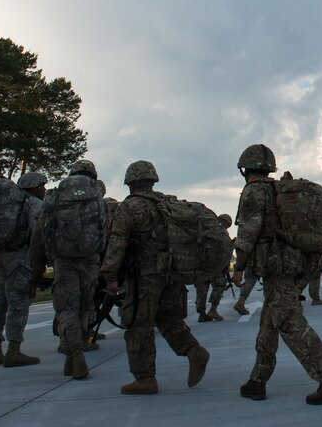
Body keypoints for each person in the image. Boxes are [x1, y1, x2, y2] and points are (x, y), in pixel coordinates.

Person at [230, 144, 322, 404]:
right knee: (269, 321)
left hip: (278, 266)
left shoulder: (254, 191)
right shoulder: (277, 190)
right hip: (297, 263)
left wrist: (238, 268)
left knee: (288, 322)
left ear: (244, 169)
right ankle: (257, 380)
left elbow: (248, 233)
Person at [100, 160, 210, 395]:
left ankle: (144, 378)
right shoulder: (168, 203)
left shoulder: (130, 207)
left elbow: (117, 242)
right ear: (153, 180)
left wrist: (110, 276)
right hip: (173, 273)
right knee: (168, 317)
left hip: (145, 277)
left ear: (130, 182)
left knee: (137, 324)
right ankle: (193, 350)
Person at [43, 160, 107, 380]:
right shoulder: (95, 192)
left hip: (63, 259)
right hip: (90, 258)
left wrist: (47, 256)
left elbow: (45, 227)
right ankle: (79, 347)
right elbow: (103, 225)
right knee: (86, 305)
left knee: (67, 308)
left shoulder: (56, 192)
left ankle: (74, 353)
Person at [0, 172, 47, 368]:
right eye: (42, 186)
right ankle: (14, 350)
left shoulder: (2, 203)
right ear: (36, 187)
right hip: (19, 258)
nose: (44, 190)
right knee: (18, 302)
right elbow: (37, 233)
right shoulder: (32, 204)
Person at [194, 214, 232, 322]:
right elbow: (225, 249)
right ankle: (213, 309)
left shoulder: (204, 228)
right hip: (215, 266)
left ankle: (201, 313)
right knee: (219, 285)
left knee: (201, 290)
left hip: (200, 264)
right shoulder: (222, 231)